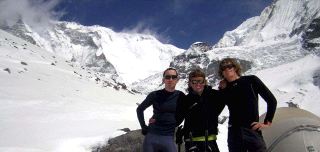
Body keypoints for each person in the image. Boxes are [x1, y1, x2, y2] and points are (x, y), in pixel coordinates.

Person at [218, 58, 277, 152]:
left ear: (235, 67)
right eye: (223, 68)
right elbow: (217, 107)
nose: (226, 69)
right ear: (222, 73)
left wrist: (267, 122)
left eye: (229, 66)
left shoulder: (251, 80)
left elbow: (271, 100)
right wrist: (222, 90)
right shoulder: (224, 88)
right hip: (234, 133)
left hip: (252, 130)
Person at [136, 67, 185, 152]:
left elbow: (185, 112)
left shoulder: (181, 96)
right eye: (167, 77)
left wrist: (174, 123)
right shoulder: (155, 95)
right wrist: (143, 127)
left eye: (173, 77)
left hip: (168, 137)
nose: (170, 79)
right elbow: (140, 109)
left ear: (177, 80)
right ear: (163, 80)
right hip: (151, 137)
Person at [176, 68, 224, 152]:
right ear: (190, 83)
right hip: (191, 143)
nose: (197, 84)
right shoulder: (185, 99)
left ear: (204, 82)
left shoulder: (215, 95)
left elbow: (235, 103)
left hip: (210, 142)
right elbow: (177, 119)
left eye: (200, 81)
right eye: (194, 82)